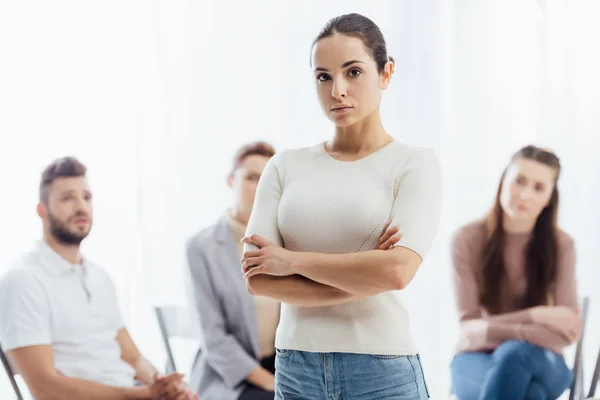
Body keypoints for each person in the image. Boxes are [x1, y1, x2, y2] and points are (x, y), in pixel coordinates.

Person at [240, 13, 441, 400]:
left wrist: (292, 261)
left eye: (353, 72)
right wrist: (365, 278)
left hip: (382, 373)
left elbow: (397, 271)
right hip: (297, 370)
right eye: (323, 76)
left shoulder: (414, 164)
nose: (337, 90)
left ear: (385, 73)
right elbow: (258, 278)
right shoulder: (285, 165)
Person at [185, 142, 403, 400]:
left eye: (266, 181)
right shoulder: (203, 247)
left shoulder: (290, 237)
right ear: (231, 180)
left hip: (291, 361)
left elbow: (326, 283)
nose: (259, 188)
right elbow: (214, 338)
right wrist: (270, 381)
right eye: (252, 178)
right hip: (236, 376)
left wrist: (372, 259)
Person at [0, 157, 197, 400]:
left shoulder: (99, 277)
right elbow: (45, 389)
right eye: (67, 198)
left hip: (132, 391)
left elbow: (133, 357)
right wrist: (142, 395)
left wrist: (166, 386)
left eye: (87, 197)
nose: (81, 207)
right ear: (42, 211)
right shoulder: (23, 281)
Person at [450, 145, 581, 400]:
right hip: (476, 358)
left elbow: (567, 331)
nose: (525, 194)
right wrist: (538, 316)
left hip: (542, 358)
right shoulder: (466, 239)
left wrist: (489, 330)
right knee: (531, 394)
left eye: (539, 188)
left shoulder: (562, 245)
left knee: (513, 354)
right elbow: (468, 325)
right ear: (503, 180)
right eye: (519, 181)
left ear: (549, 199)